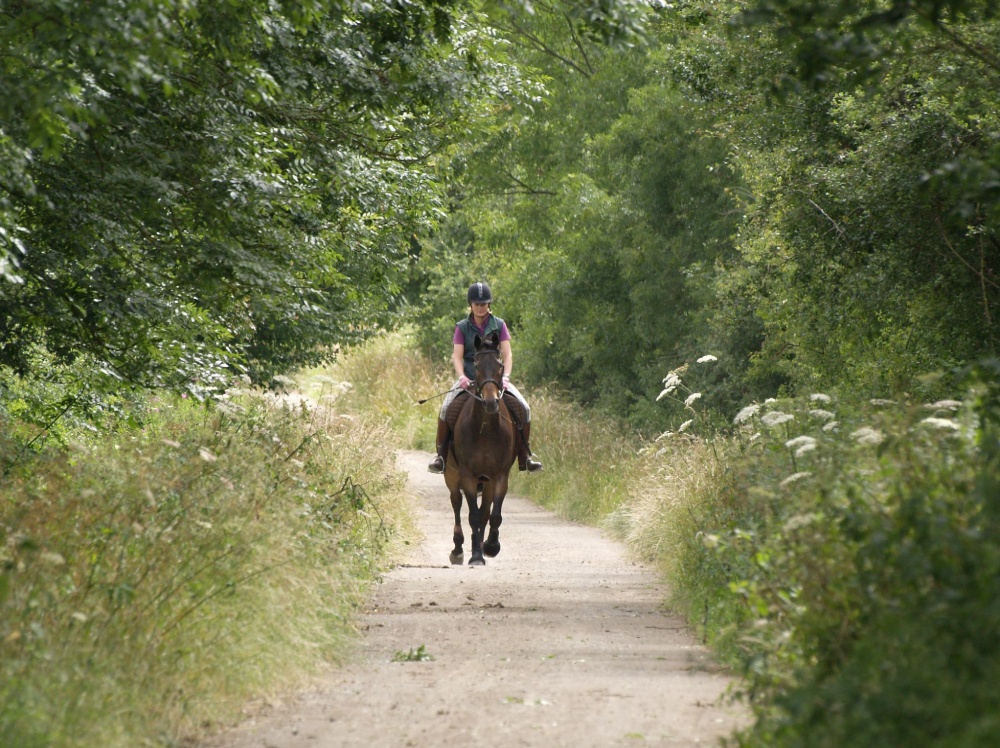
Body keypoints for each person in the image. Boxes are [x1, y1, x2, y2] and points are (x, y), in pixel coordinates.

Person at [427, 281, 543, 474]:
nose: (480, 307)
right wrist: (462, 377)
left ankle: (525, 455)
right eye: (477, 304)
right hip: (470, 379)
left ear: (489, 304)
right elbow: (457, 356)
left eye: (484, 304)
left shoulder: (499, 325)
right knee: (446, 408)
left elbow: (507, 355)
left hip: (495, 380)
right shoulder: (462, 327)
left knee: (525, 408)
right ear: (470, 305)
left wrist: (505, 376)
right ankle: (441, 456)